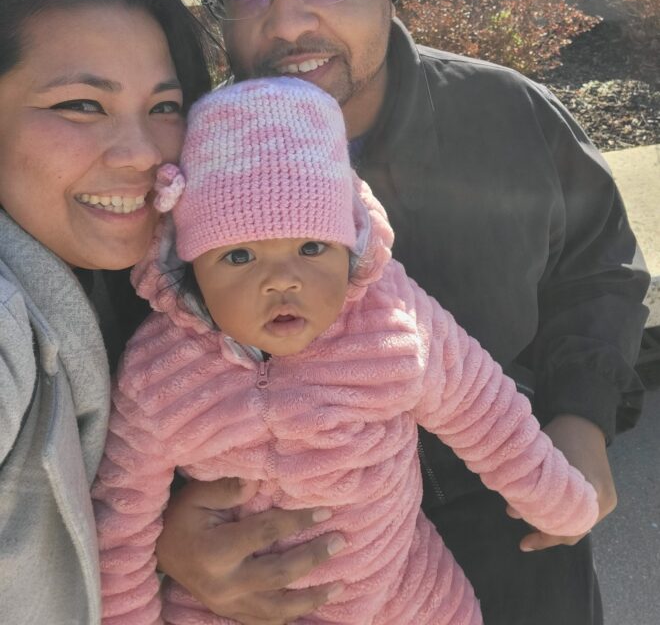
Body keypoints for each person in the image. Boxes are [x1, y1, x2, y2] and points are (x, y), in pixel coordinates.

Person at [152, 0, 650, 625]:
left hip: (511, 535)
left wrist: (581, 417)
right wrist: (166, 538)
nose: (285, 23)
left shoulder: (509, 117)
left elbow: (598, 266)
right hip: (297, 570)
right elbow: (140, 372)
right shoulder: (192, 169)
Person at [92, 76, 599, 625]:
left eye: (312, 247)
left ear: (350, 246)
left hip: (402, 594)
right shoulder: (160, 372)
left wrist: (558, 501)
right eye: (238, 257)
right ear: (188, 265)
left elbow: (483, 408)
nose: (281, 281)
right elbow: (122, 519)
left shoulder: (388, 320)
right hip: (227, 604)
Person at [0, 0, 216, 624]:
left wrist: (153, 536)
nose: (140, 152)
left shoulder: (173, 277)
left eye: (165, 106)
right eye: (81, 105)